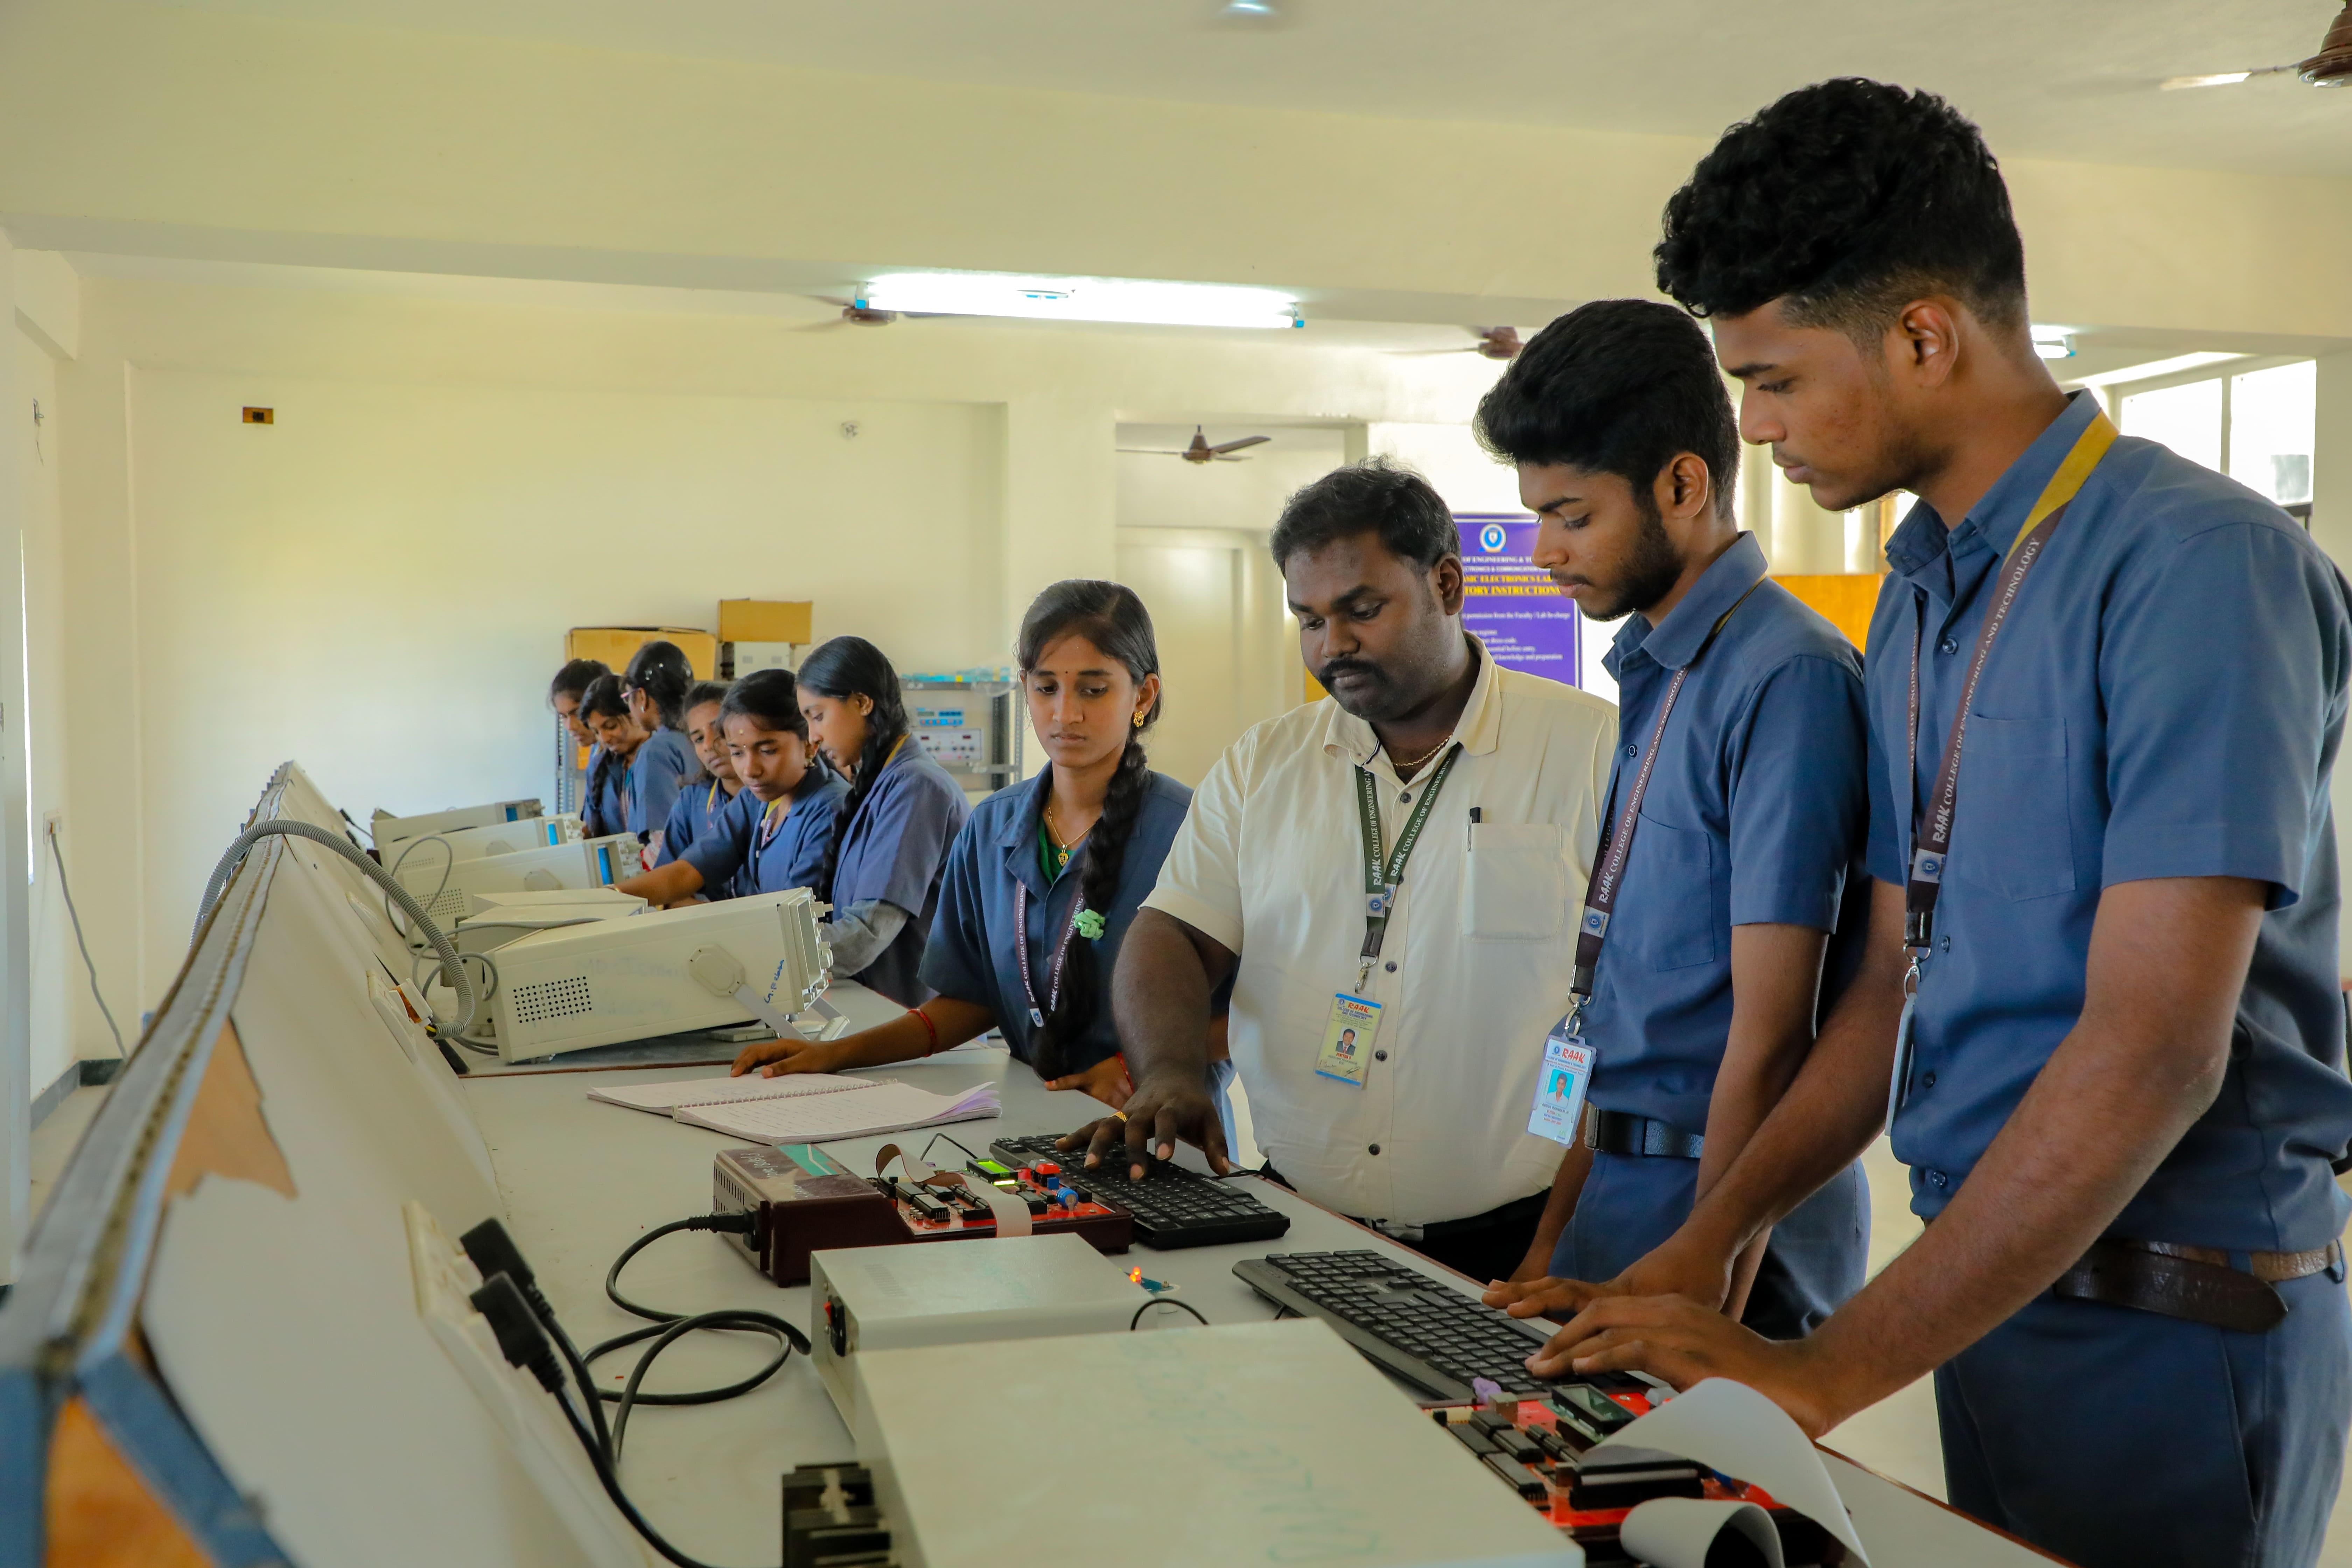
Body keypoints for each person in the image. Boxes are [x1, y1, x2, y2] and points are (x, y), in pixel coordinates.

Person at [1530, 80, 2352, 1568]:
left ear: (1920, 333)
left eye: (1771, 379)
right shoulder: (1914, 597)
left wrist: (1824, 1365)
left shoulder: (2193, 568)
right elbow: (1887, 984)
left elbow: (2152, 1045)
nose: (1754, 430)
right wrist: (1703, 1239)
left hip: (2171, 1314)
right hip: (1989, 1292)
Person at [1078, 460, 1618, 1285]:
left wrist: (1560, 1243)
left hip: (1527, 1247)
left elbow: (1648, 1020)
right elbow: (1174, 933)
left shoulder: (1592, 754)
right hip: (1302, 1225)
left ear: (1446, 583)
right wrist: (1172, 1071)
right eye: (1310, 620)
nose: (1333, 646)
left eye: (1362, 611)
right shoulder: (1265, 766)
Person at [1465, 299, 1871, 1343]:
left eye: (1571, 515)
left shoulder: (1784, 676)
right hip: (1619, 1190)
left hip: (1722, 1216)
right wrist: (1549, 1246)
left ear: (1682, 484)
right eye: (1534, 519)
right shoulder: (1656, 671)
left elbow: (1771, 1030)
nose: (1544, 553)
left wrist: (1711, 1272)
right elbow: (1607, 1021)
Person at [730, 581, 1235, 1129]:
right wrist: (833, 1055)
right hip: (1032, 1120)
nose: (1065, 714)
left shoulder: (1196, 830)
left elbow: (1248, 1010)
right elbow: (970, 1000)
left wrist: (1137, 1071)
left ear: (1143, 695)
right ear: (1025, 689)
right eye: (1046, 689)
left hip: (1157, 1131)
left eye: (1093, 690)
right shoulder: (992, 827)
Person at [786, 636, 971, 1007]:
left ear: (862, 703)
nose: (814, 736)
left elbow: (864, 934)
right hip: (882, 1010)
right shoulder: (880, 785)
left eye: (818, 715)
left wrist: (767, 956)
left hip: (915, 1023)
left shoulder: (917, 787)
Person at [616, 669, 850, 906]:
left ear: (810, 745)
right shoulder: (756, 798)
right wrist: (605, 899)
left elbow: (788, 916)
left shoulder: (830, 810)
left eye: (767, 751)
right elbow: (686, 873)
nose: (750, 770)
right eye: (737, 752)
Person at [646, 680, 744, 895]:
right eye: (699, 739)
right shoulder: (690, 803)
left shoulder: (772, 798)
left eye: (718, 730)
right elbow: (668, 887)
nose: (709, 745)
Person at [619, 641, 702, 857]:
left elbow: (661, 844)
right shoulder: (702, 740)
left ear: (642, 697)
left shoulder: (657, 751)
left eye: (629, 698)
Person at [576, 673, 645, 841]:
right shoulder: (598, 767)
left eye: (611, 726)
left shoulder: (663, 759)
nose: (605, 739)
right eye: (597, 732)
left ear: (634, 711)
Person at [548, 657, 609, 814]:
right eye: (563, 717)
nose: (570, 726)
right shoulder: (596, 752)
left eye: (576, 713)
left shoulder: (630, 761)